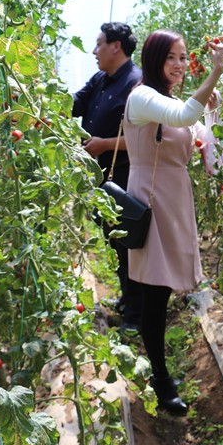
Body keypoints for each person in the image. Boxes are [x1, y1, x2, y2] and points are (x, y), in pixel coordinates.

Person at [123, 30, 223, 414]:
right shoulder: (142, 97)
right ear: (154, 59)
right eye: (171, 57)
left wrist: (213, 112)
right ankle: (161, 380)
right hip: (150, 200)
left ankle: (160, 373)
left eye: (183, 57)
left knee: (161, 290)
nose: (180, 65)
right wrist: (214, 73)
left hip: (173, 200)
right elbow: (184, 116)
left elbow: (207, 150)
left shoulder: (169, 101)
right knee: (155, 292)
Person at [72, 22, 142, 332]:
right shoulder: (100, 79)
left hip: (126, 176)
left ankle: (137, 316)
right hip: (103, 178)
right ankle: (128, 300)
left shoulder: (137, 84)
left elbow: (146, 138)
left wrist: (104, 144)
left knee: (130, 243)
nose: (94, 50)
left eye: (99, 44)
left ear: (116, 47)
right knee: (115, 241)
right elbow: (74, 104)